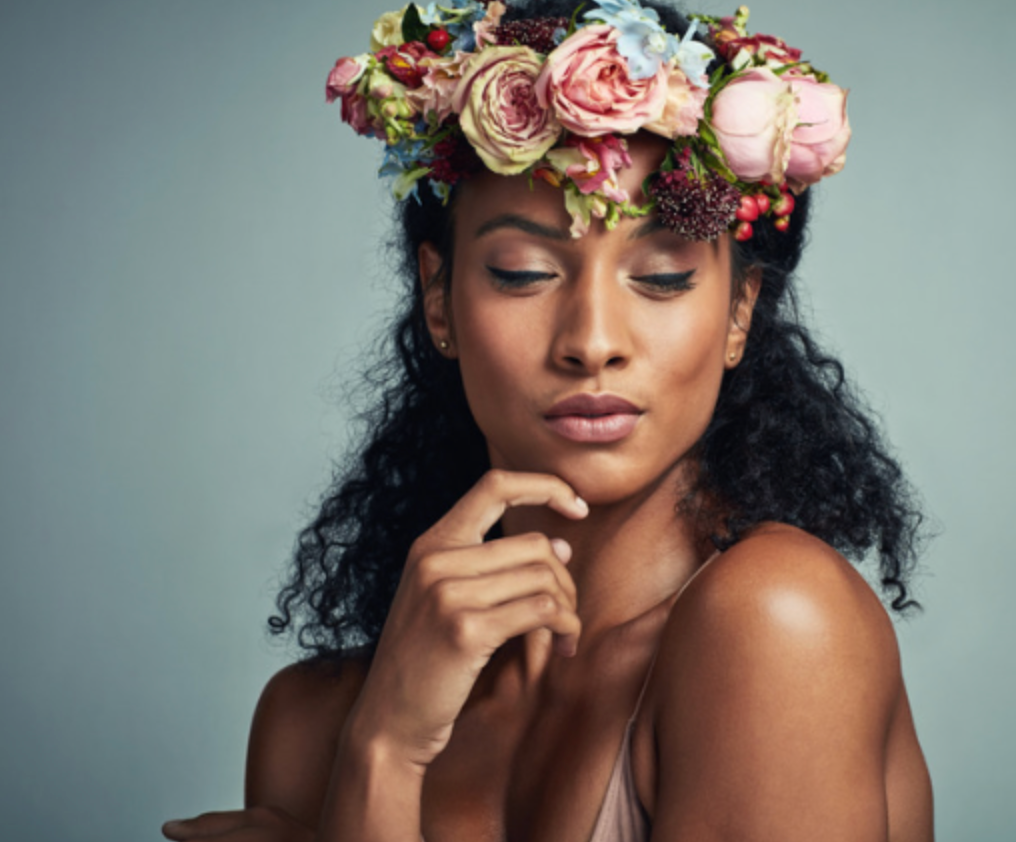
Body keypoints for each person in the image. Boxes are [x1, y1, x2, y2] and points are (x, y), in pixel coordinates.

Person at [162, 0, 933, 839]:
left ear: (740, 312)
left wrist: (373, 783)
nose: (592, 343)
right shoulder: (313, 724)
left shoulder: (777, 625)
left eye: (665, 276)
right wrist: (383, 743)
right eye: (524, 273)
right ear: (439, 298)